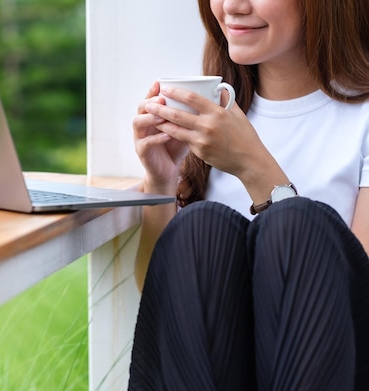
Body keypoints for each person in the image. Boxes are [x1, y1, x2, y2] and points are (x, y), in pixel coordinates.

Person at [127, 0, 369, 389]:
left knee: (297, 224)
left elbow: (353, 300)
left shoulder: (362, 120)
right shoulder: (207, 118)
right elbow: (161, 293)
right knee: (199, 227)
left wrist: (254, 167)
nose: (232, 6)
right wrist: (161, 181)